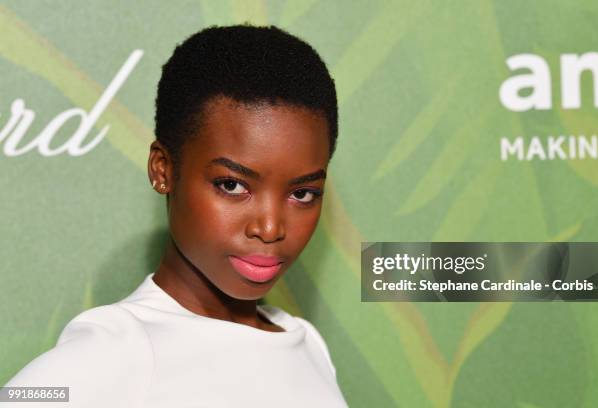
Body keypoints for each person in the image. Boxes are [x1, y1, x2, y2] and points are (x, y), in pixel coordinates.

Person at [3, 25, 348, 407]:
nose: (269, 228)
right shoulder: (121, 349)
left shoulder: (305, 343)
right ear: (163, 169)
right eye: (232, 186)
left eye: (302, 194)